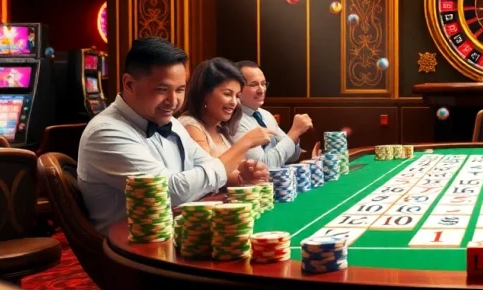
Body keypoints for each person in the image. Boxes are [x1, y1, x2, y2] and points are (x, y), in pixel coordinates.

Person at [77, 38, 275, 234]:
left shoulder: (170, 123)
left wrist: (241, 176)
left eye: (180, 90)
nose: (173, 101)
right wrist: (242, 146)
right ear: (129, 84)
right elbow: (171, 192)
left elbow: (207, 164)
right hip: (133, 252)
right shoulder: (106, 132)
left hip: (178, 235)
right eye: (162, 90)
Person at [178, 57, 275, 186]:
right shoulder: (190, 125)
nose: (234, 102)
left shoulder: (221, 128)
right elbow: (208, 175)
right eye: (228, 94)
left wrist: (249, 173)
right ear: (205, 94)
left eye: (237, 96)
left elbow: (229, 175)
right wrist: (247, 142)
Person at [232, 61, 314, 167]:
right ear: (237, 88)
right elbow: (264, 166)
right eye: (253, 85)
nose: (261, 90)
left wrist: (295, 136)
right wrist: (295, 132)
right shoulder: (234, 121)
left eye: (263, 84)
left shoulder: (266, 115)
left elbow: (293, 156)